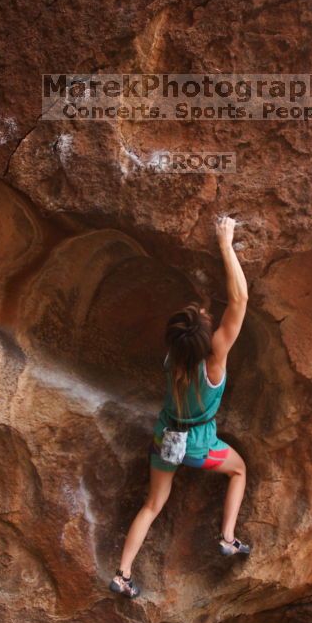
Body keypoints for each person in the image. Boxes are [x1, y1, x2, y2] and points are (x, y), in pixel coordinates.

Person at [110, 215, 251, 599]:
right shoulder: (214, 358)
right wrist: (225, 243)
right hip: (196, 446)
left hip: (164, 438)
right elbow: (239, 300)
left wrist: (200, 306)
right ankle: (227, 537)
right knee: (238, 470)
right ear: (209, 336)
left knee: (152, 504)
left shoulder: (175, 357)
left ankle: (122, 574)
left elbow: (192, 327)